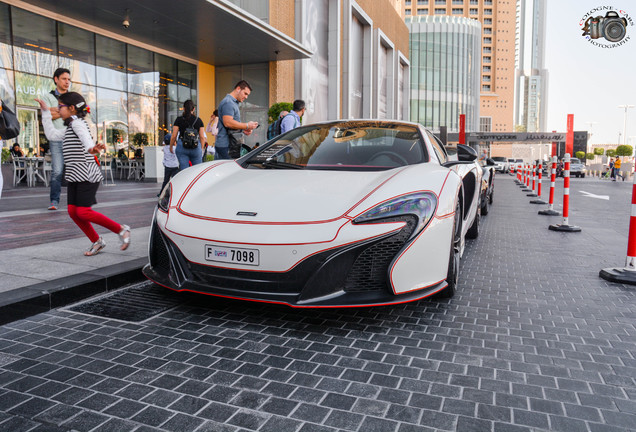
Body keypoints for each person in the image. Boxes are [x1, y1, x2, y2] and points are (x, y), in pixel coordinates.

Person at [36, 92, 131, 256]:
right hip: (75, 175)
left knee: (83, 212)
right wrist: (45, 112)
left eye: (60, 106)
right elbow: (51, 134)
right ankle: (97, 241)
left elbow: (86, 138)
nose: (58, 110)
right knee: (73, 212)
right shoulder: (69, 128)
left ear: (71, 108)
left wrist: (91, 149)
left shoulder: (78, 123)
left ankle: (122, 229)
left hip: (87, 174)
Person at [41, 67, 71, 211]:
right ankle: (54, 201)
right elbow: (47, 115)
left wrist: (55, 110)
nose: (67, 82)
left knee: (73, 171)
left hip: (72, 138)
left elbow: (76, 114)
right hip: (56, 139)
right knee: (57, 171)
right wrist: (64, 111)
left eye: (69, 79)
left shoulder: (72, 96)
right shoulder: (47, 96)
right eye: (64, 79)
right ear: (56, 79)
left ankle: (74, 201)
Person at [217, 80, 258, 160]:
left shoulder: (233, 103)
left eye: (248, 95)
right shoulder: (228, 102)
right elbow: (228, 123)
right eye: (245, 93)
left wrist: (243, 129)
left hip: (230, 145)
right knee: (229, 172)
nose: (246, 97)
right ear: (238, 89)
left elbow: (230, 126)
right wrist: (246, 125)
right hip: (227, 146)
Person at [169, 100, 205, 171]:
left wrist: (171, 146)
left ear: (183, 108)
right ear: (193, 109)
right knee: (197, 171)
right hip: (195, 147)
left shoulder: (178, 120)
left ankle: (185, 182)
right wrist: (201, 148)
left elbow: (174, 136)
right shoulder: (199, 120)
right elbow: (202, 137)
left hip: (182, 146)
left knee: (184, 171)